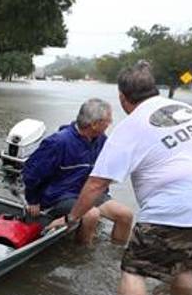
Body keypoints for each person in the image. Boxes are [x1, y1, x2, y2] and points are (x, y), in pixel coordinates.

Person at [56, 61, 192, 295]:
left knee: (134, 271)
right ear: (155, 89)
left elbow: (96, 185)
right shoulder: (187, 110)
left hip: (176, 207)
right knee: (184, 267)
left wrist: (71, 218)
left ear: (122, 97)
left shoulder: (129, 127)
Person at [22, 98, 133, 245]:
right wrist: (33, 200)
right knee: (92, 215)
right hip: (60, 195)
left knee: (125, 215)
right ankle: (82, 254)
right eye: (108, 120)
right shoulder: (58, 142)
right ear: (94, 124)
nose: (111, 122)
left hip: (86, 193)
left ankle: (117, 253)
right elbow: (31, 172)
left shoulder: (101, 140)